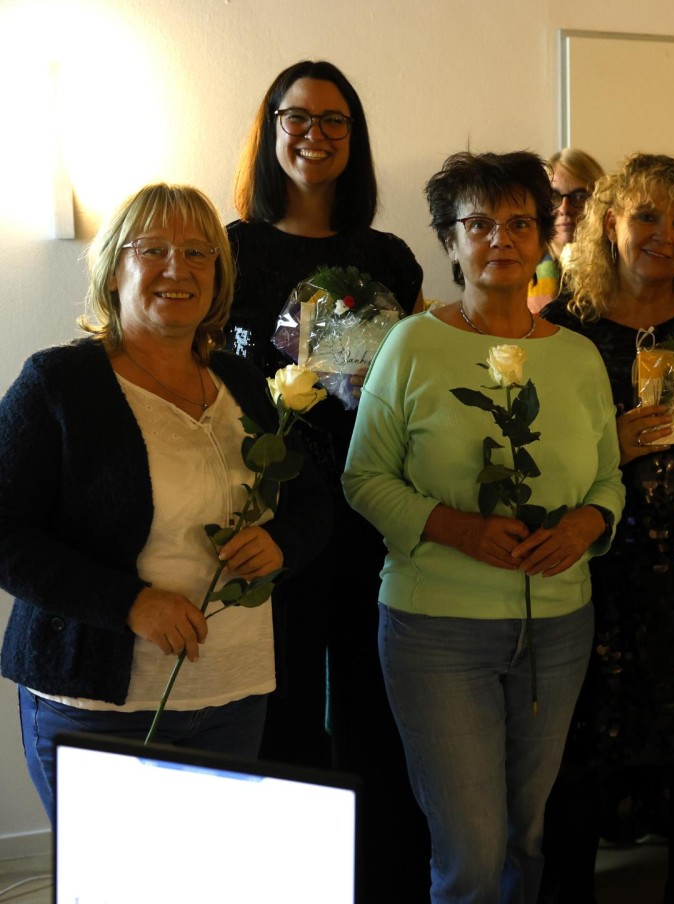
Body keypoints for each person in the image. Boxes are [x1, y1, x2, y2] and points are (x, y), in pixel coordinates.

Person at [343, 150, 624, 902]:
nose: (501, 239)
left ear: (543, 240)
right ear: (450, 240)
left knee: (525, 836)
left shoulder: (578, 356)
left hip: (559, 626)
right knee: (470, 851)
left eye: (519, 223)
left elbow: (609, 478)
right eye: (479, 224)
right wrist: (456, 529)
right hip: (436, 630)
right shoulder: (412, 345)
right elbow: (363, 478)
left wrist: (586, 524)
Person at [0, 183, 330, 818]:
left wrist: (281, 543)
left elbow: (312, 504)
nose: (178, 268)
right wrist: (128, 603)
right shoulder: (59, 383)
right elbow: (6, 531)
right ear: (113, 270)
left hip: (234, 693)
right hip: (103, 707)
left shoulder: (243, 383)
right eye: (152, 249)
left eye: (198, 253)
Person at [225, 59, 427, 903]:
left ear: (355, 136)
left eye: (334, 119)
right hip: (267, 517)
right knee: (285, 714)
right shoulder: (231, 250)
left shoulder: (387, 256)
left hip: (371, 513)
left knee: (378, 716)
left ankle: (387, 883)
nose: (315, 134)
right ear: (271, 128)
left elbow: (410, 387)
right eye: (297, 117)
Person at [539, 153, 674, 903]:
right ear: (608, 224)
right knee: (577, 746)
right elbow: (534, 454)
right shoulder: (564, 327)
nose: (665, 236)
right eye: (648, 217)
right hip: (588, 564)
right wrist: (610, 449)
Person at [528, 147, 605, 313]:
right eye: (553, 197)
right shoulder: (522, 268)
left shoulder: (619, 271)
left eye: (579, 196)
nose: (565, 208)